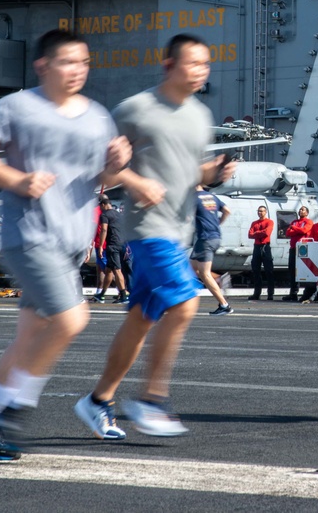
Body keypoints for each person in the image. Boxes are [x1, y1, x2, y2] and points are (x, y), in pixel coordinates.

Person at [0, 29, 129, 460]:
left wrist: (116, 166)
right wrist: (18, 180)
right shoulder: (17, 107)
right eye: (69, 61)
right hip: (31, 236)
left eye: (85, 62)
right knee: (72, 320)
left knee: (29, 338)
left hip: (72, 241)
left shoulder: (97, 116)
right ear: (44, 65)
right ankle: (14, 414)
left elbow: (101, 180)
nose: (78, 70)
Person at [75, 33, 235, 439]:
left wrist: (212, 173)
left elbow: (185, 172)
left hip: (180, 231)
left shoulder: (199, 115)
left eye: (206, 64)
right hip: (148, 229)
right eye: (193, 63)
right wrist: (135, 181)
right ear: (168, 66)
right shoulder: (134, 110)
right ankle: (152, 399)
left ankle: (97, 401)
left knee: (140, 321)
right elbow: (101, 168)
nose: (202, 71)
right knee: (183, 305)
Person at [192, 184, 233, 316]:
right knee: (190, 267)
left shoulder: (193, 198)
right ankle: (219, 279)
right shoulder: (212, 197)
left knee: (204, 273)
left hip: (205, 239)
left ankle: (224, 305)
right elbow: (227, 210)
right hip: (213, 237)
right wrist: (217, 223)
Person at [96, 197, 128, 304]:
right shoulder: (119, 215)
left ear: (104, 204)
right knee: (109, 269)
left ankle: (123, 295)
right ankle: (101, 294)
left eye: (101, 206)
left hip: (112, 245)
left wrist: (101, 246)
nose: (101, 209)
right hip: (122, 243)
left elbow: (104, 229)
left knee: (117, 270)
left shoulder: (104, 215)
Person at [282, 206, 313, 302]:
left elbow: (304, 230)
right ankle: (293, 293)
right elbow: (288, 232)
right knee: (292, 270)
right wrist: (296, 230)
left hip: (302, 248)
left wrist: (294, 228)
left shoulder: (308, 222)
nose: (300, 211)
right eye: (300, 209)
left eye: (303, 209)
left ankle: (307, 293)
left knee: (303, 270)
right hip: (293, 248)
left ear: (307, 213)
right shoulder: (294, 221)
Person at [247, 205, 275, 301]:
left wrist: (256, 233)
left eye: (262, 211)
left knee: (269, 271)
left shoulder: (270, 222)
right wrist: (260, 233)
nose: (260, 213)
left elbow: (267, 233)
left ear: (265, 212)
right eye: (259, 211)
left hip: (265, 247)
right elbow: (250, 235)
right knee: (256, 271)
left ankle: (270, 294)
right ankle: (256, 293)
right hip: (257, 247)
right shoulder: (254, 223)